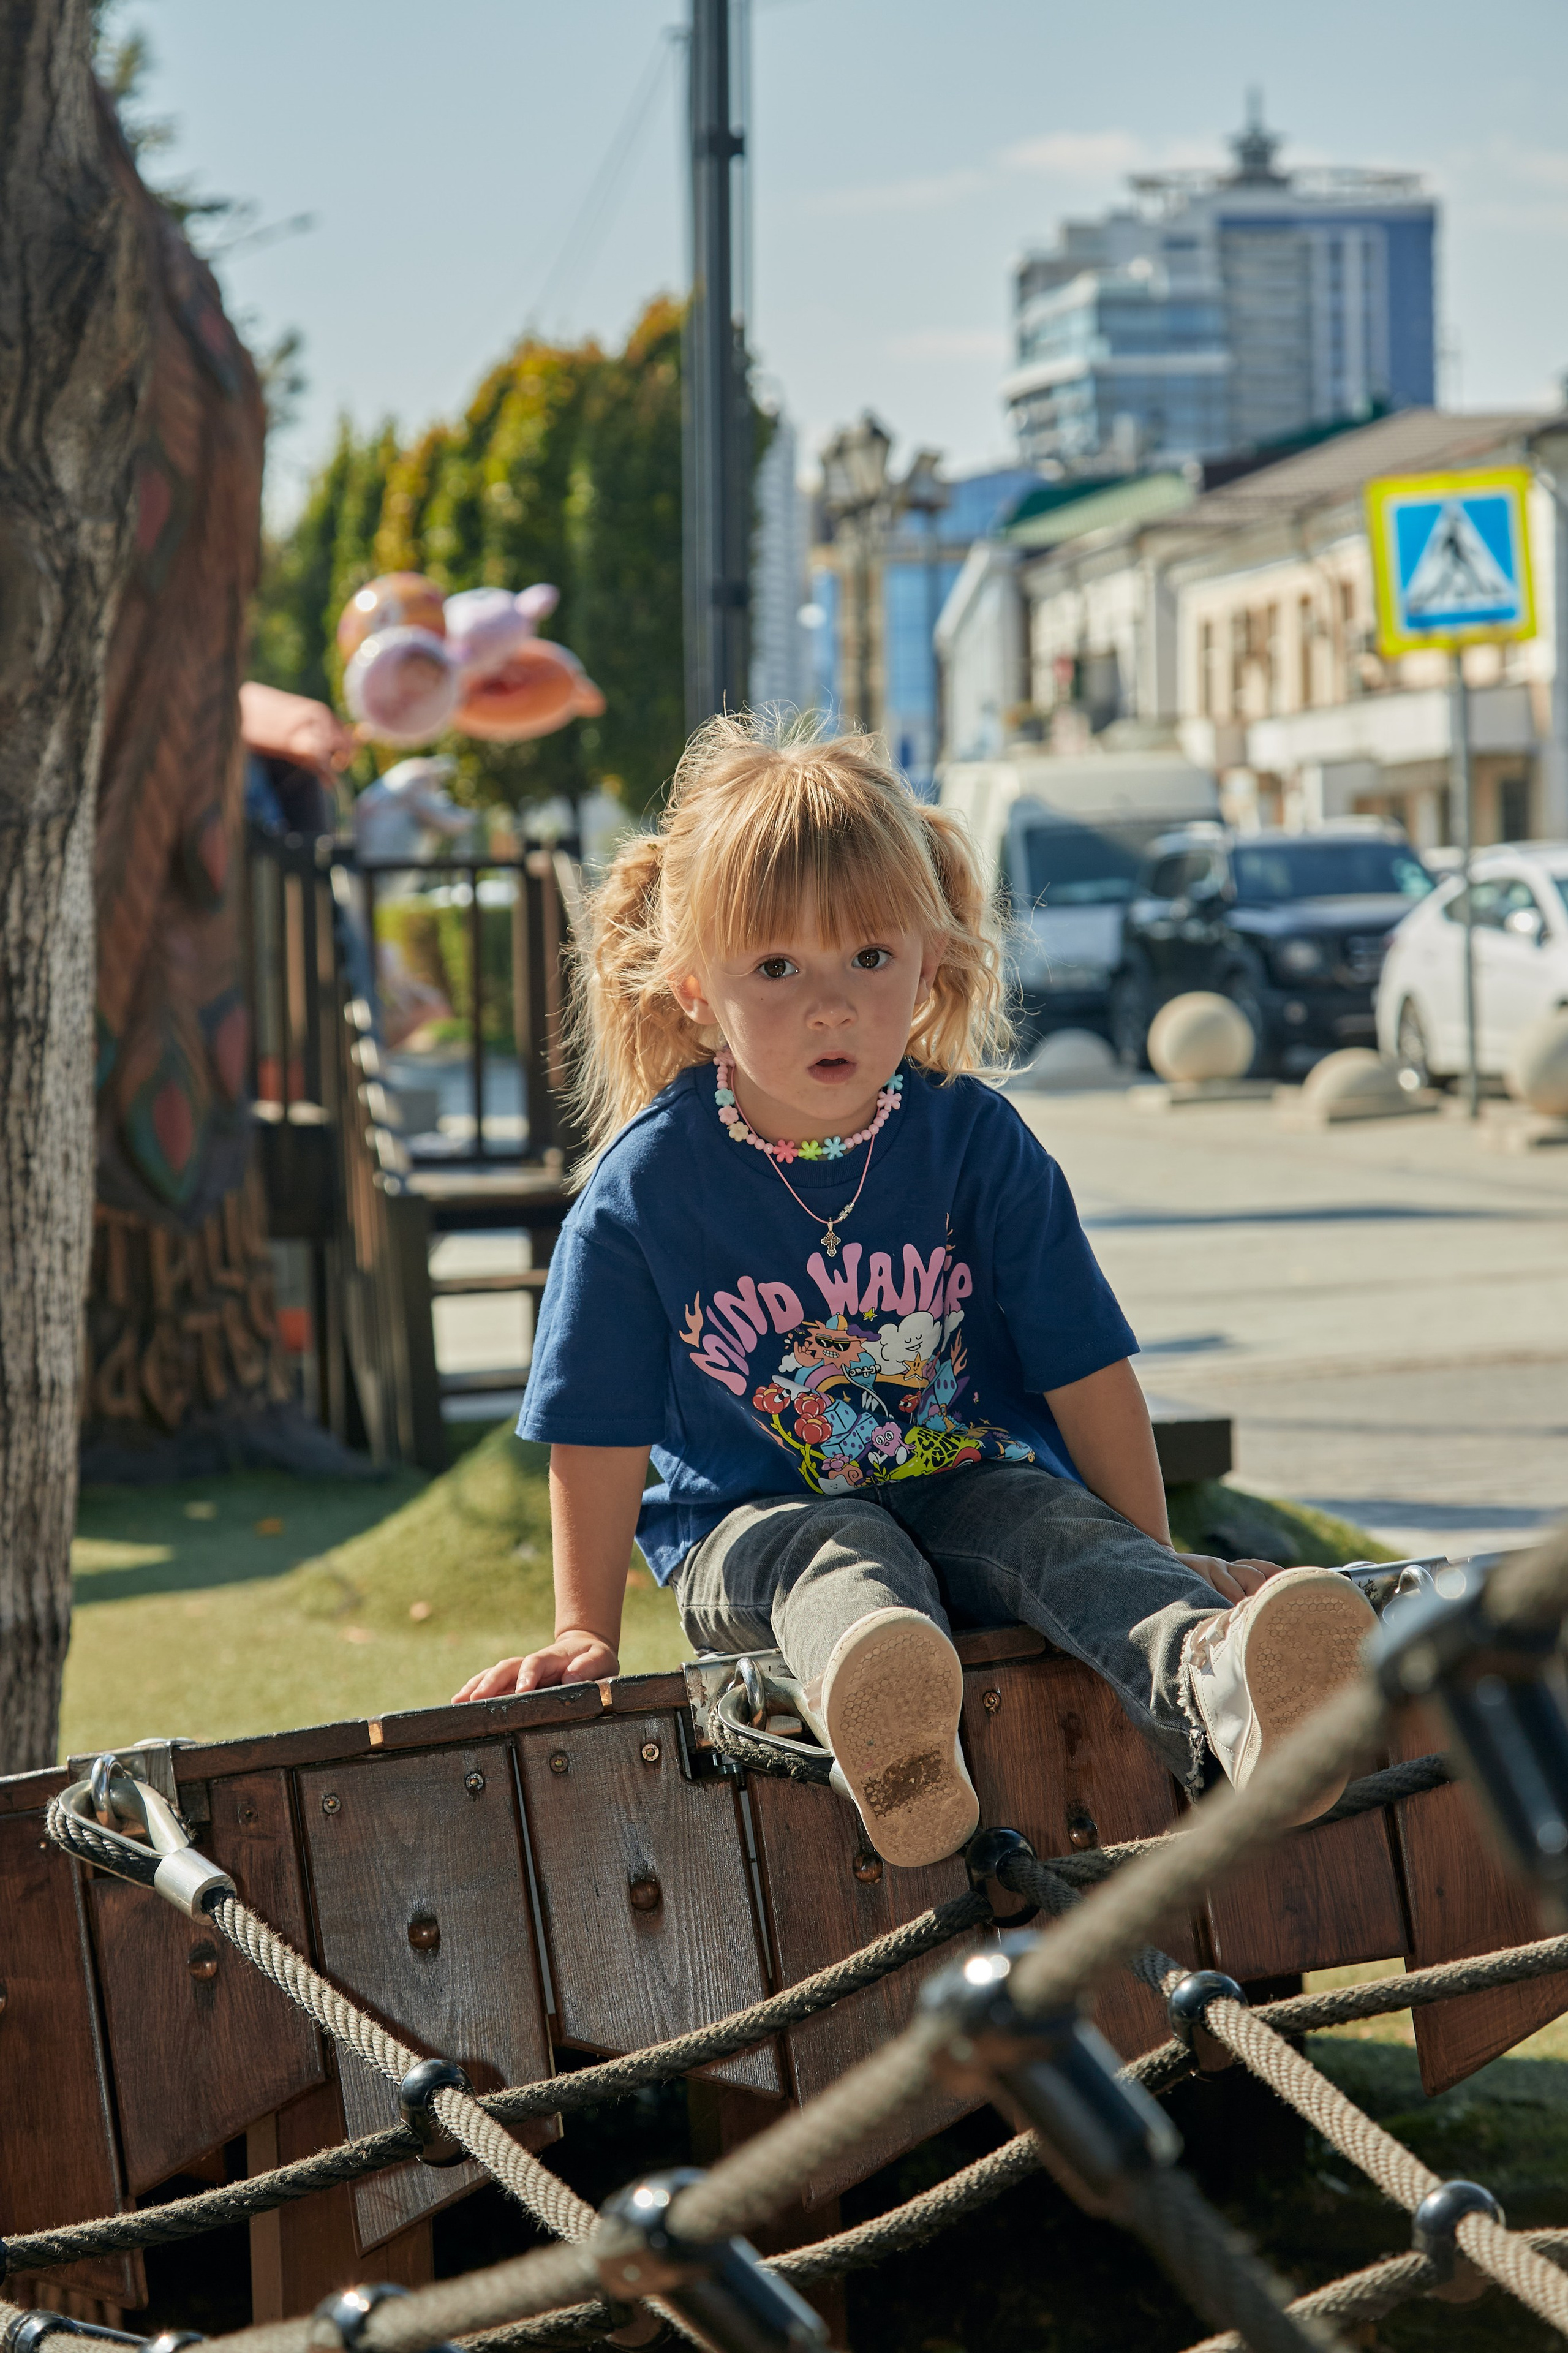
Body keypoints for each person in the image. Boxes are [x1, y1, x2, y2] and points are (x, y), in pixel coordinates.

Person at [454, 716, 1374, 1867]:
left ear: (930, 958)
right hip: (745, 1537)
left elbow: (1086, 1370)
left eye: (869, 959)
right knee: (836, 1547)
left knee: (1044, 1523)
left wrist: (1147, 1550)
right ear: (695, 991)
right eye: (777, 968)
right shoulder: (644, 1189)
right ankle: (890, 1739)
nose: (830, 1005)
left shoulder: (976, 1145)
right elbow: (596, 1431)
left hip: (964, 1489)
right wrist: (584, 1629)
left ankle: (1222, 1681)